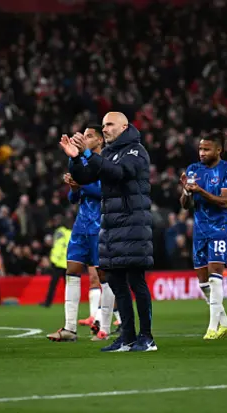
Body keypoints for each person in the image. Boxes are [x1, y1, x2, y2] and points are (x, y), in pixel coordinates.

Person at [61, 112, 156, 352]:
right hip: (111, 226)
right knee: (115, 281)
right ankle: (127, 337)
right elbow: (84, 176)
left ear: (124, 126)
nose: (105, 128)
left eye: (110, 124)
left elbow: (117, 173)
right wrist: (75, 159)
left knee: (136, 280)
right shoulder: (109, 153)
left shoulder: (136, 151)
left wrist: (86, 154)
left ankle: (146, 337)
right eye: (103, 125)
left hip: (133, 225)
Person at [47, 125, 115, 342]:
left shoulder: (106, 163)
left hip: (100, 226)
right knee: (72, 271)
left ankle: (104, 328)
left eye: (90, 136)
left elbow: (104, 192)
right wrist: (75, 188)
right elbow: (74, 199)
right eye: (83, 135)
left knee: (103, 276)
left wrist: (82, 186)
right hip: (81, 226)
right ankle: (69, 328)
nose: (85, 138)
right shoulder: (83, 163)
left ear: (100, 141)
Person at [179, 132, 227, 340]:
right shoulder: (194, 169)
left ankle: (213, 328)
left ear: (218, 150)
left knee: (215, 276)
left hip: (218, 228)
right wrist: (186, 191)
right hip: (199, 229)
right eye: (200, 149)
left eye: (206, 149)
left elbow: (225, 201)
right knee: (203, 283)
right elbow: (185, 205)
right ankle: (226, 324)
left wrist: (200, 191)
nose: (202, 153)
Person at [42, 218, 71, 307]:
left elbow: (58, 246)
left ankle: (48, 302)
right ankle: (70, 302)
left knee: (53, 284)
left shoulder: (59, 232)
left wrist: (53, 259)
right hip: (68, 263)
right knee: (69, 286)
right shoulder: (70, 232)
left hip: (59, 263)